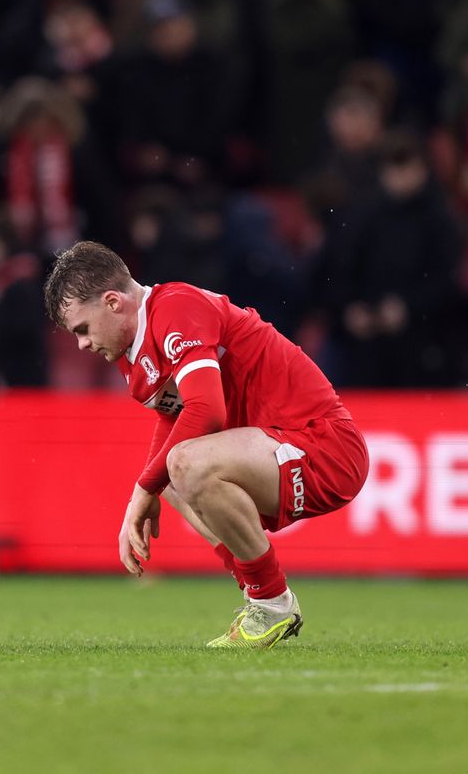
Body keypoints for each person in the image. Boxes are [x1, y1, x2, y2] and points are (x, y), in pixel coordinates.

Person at [43, 241, 368, 648]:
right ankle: (259, 595)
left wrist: (142, 491)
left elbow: (206, 410)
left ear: (112, 302)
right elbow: (177, 420)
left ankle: (271, 601)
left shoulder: (175, 306)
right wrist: (147, 491)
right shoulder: (135, 356)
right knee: (174, 477)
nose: (82, 345)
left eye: (82, 329)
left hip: (325, 447)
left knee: (182, 465)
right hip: (276, 450)